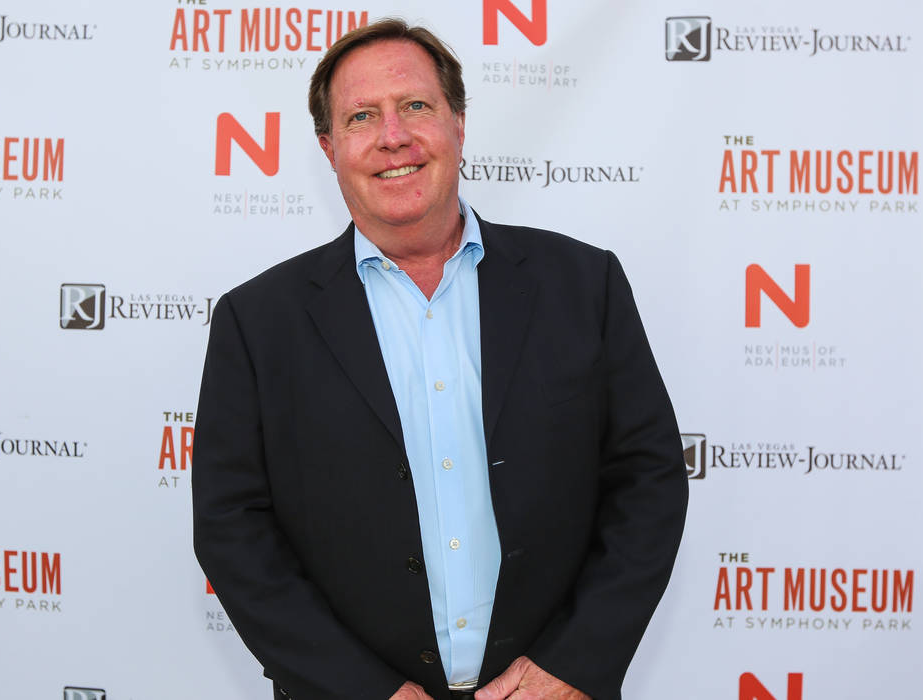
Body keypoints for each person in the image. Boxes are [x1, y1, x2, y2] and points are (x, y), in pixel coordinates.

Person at [193, 19, 687, 700]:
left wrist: (574, 665)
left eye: (416, 106)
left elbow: (648, 481)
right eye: (362, 116)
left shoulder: (583, 285)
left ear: (458, 123)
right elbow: (232, 531)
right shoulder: (257, 322)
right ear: (329, 148)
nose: (393, 136)